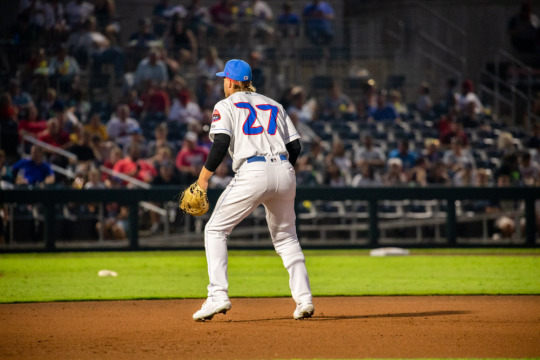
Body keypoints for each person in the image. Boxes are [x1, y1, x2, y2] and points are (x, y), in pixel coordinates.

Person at [191, 59, 313, 321]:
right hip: (284, 169)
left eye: (225, 79)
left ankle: (217, 296)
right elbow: (295, 148)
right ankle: (304, 300)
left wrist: (202, 179)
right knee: (287, 239)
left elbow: (221, 144)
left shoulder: (225, 105)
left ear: (232, 82)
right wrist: (282, 174)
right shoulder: (274, 104)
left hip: (253, 169)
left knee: (215, 230)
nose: (223, 83)